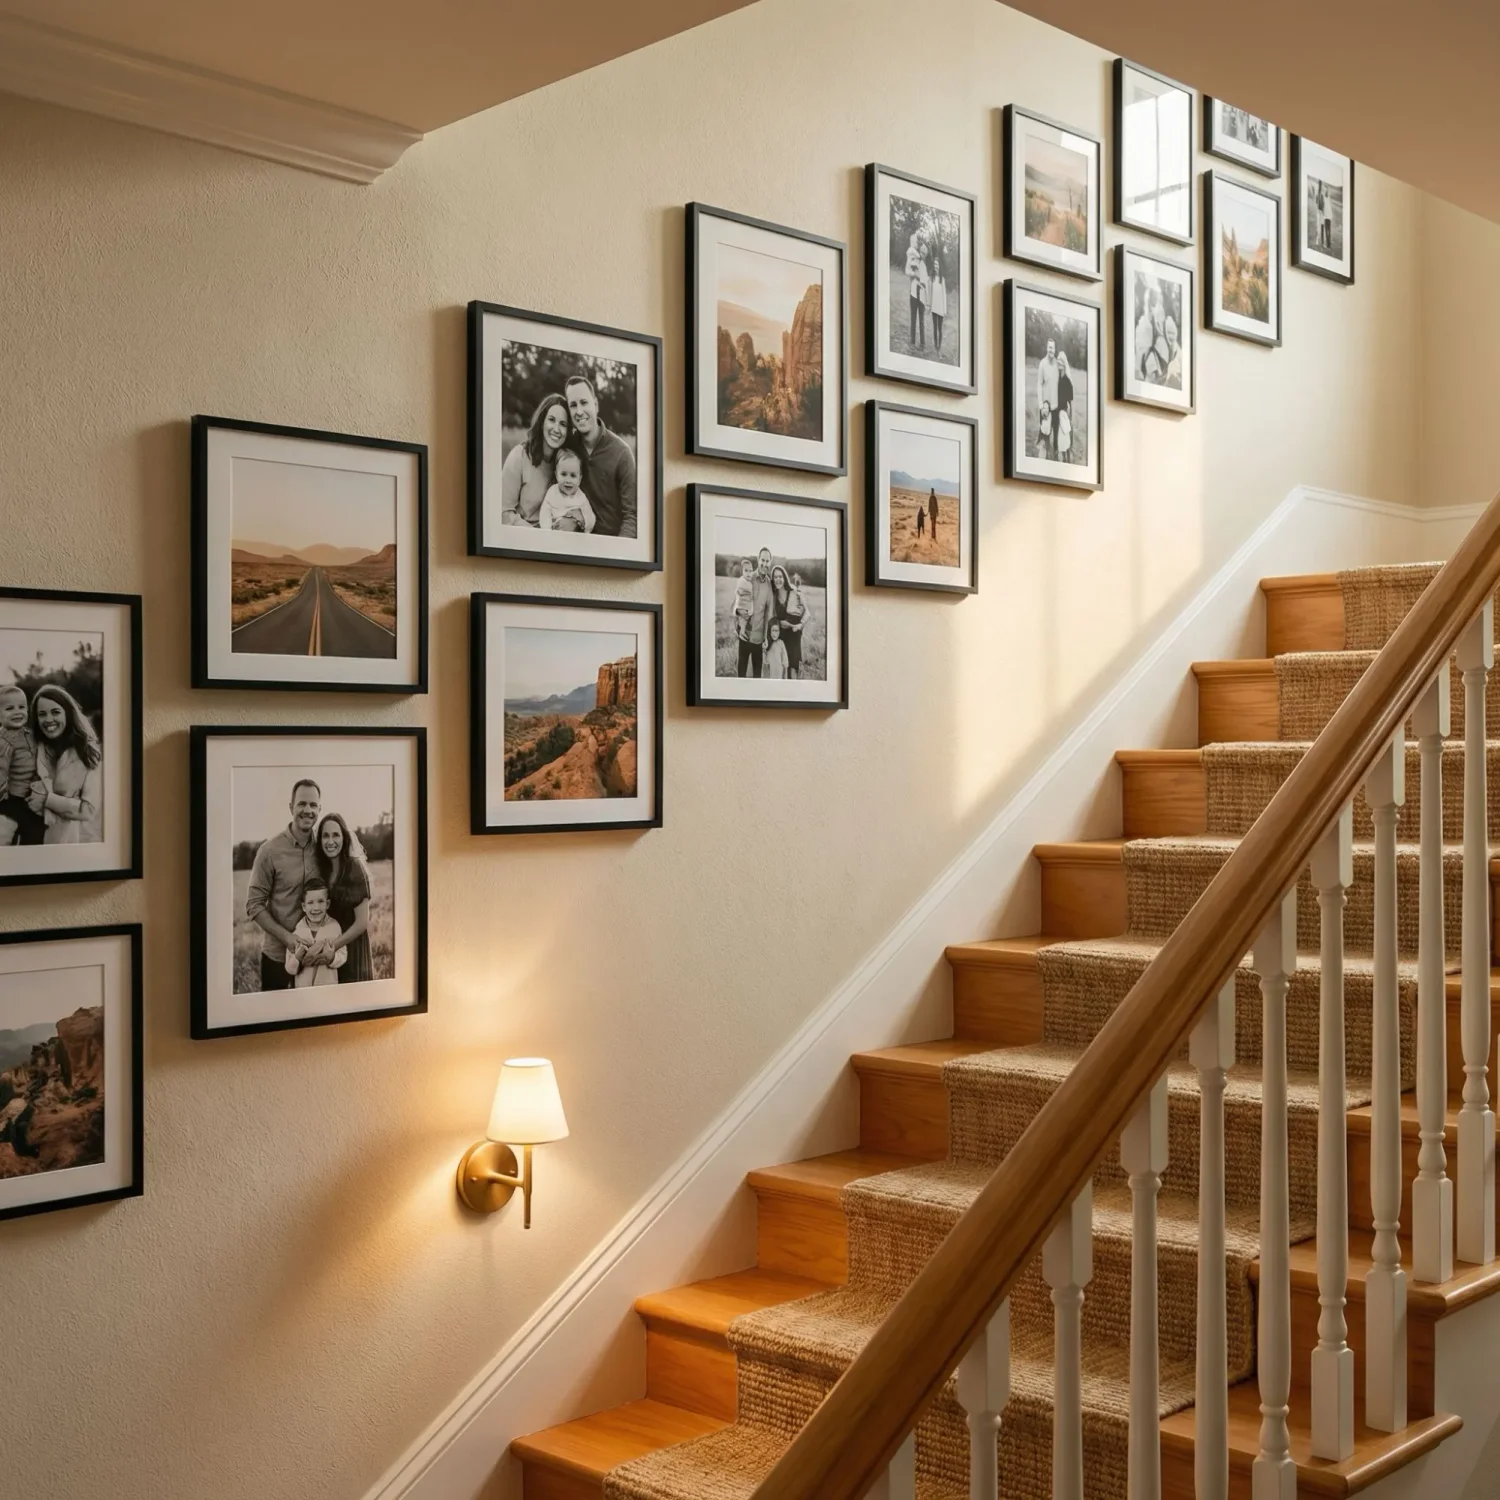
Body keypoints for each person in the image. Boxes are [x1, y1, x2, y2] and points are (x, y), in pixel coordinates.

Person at [246, 777, 335, 993]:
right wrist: (287, 938)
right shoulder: (269, 851)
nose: (308, 810)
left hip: (318, 958)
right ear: (290, 807)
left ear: (320, 808)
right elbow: (254, 905)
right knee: (273, 1022)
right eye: (302, 804)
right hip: (277, 957)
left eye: (313, 805)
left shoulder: (326, 848)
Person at [28, 685, 101, 845]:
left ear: (68, 713)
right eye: (42, 714)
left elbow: (89, 810)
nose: (48, 720)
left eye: (55, 712)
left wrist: (47, 800)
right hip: (28, 843)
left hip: (67, 843)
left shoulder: (87, 753)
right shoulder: (30, 749)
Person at [565, 375, 636, 539]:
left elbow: (631, 516)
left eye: (584, 402)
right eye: (573, 405)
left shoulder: (622, 453)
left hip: (611, 545)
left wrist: (616, 554)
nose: (579, 411)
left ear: (595, 405)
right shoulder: (568, 448)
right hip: (574, 544)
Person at [314, 811, 375, 984]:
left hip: (352, 947)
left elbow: (362, 922)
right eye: (325, 836)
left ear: (344, 838)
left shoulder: (354, 868)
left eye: (336, 835)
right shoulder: (322, 870)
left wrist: (334, 946)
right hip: (329, 953)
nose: (330, 841)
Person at [500, 393, 573, 527]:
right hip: (520, 535)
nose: (556, 429)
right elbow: (503, 512)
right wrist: (535, 536)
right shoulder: (519, 456)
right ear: (541, 422)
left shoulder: (565, 464)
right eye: (551, 420)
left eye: (563, 424)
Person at [284, 878, 348, 988]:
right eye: (310, 903)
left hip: (328, 989)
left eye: (320, 901)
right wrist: (297, 958)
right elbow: (290, 969)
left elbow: (343, 956)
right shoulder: (298, 932)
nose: (316, 908)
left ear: (327, 904)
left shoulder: (334, 927)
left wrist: (332, 957)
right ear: (304, 907)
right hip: (304, 992)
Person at [0, 685, 43, 846]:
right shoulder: (4, 740)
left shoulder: (28, 734)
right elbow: (1, 770)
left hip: (28, 794)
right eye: (9, 708)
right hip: (11, 798)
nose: (17, 711)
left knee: (36, 827)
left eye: (22, 707)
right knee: (18, 828)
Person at [737, 547, 776, 678]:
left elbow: (768, 613)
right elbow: (739, 603)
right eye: (762, 560)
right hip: (744, 635)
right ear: (758, 560)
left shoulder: (769, 585)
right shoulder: (748, 578)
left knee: (757, 676)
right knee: (741, 674)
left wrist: (766, 637)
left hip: (758, 639)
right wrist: (741, 627)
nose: (764, 564)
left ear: (770, 562)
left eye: (767, 561)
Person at [538, 448, 597, 533]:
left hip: (575, 538)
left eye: (573, 476)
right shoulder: (552, 492)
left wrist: (583, 521)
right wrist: (547, 531)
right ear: (556, 475)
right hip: (554, 534)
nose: (568, 480)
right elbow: (544, 513)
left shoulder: (580, 496)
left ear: (580, 479)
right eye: (563, 474)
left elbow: (591, 518)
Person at [770, 565, 807, 680]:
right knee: (781, 668)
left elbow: (806, 612)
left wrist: (800, 625)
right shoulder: (773, 595)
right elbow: (772, 617)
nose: (778, 579)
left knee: (792, 668)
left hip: (794, 636)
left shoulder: (793, 592)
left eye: (780, 576)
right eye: (775, 577)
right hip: (781, 637)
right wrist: (778, 623)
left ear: (785, 577)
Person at [904, 233, 929, 350]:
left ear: (926, 255)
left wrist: (920, 278)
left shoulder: (925, 267)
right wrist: (914, 274)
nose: (922, 254)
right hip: (913, 294)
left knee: (922, 321)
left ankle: (922, 344)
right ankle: (913, 342)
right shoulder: (915, 260)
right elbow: (909, 272)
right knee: (913, 319)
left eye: (924, 253)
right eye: (921, 251)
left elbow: (925, 281)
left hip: (922, 296)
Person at [1037, 337, 1060, 459]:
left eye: (1053, 348)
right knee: (1045, 436)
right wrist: (1041, 406)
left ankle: (1055, 460)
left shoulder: (1057, 365)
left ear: (1055, 350)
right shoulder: (1042, 364)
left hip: (1056, 407)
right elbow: (1039, 385)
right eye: (1049, 347)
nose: (1051, 350)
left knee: (1056, 436)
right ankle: (1043, 461)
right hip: (1046, 409)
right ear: (1047, 348)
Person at [1055, 351, 1075, 462]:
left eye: (1061, 362)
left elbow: (1070, 402)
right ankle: (1060, 460)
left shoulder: (1067, 381)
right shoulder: (1056, 379)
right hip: (1056, 411)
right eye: (1058, 361)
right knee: (1058, 442)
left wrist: (1070, 417)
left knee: (1065, 440)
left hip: (1063, 413)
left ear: (1064, 364)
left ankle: (1067, 461)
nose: (1059, 364)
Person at [732, 557, 756, 642]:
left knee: (744, 620)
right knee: (744, 619)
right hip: (741, 606)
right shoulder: (742, 581)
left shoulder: (749, 581)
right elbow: (751, 590)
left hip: (745, 606)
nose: (749, 573)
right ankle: (741, 632)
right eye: (746, 571)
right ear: (742, 572)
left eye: (751, 571)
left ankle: (741, 631)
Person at [929, 261, 948, 356]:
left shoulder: (942, 279)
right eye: (934, 264)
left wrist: (944, 310)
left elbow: (944, 295)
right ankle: (935, 347)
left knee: (940, 329)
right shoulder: (931, 279)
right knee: (934, 328)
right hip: (934, 307)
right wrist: (929, 305)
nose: (935, 266)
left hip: (940, 307)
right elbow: (930, 293)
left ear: (939, 267)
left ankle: (939, 348)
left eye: (937, 264)